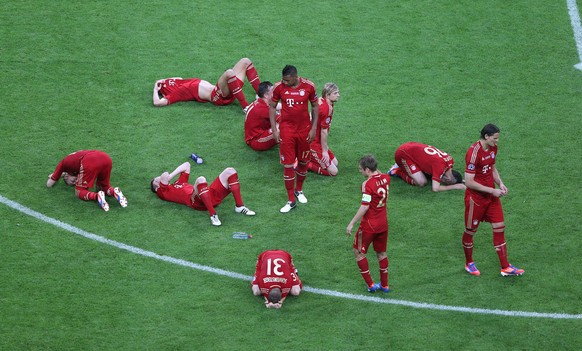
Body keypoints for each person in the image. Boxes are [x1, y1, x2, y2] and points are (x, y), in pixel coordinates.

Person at [462, 124, 524, 277]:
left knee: (499, 226)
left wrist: (500, 183)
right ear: (486, 137)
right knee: (470, 231)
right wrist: (492, 190)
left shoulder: (493, 148)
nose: (497, 141)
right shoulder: (473, 153)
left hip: (491, 197)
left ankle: (505, 267)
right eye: (495, 138)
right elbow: (468, 182)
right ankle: (469, 263)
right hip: (475, 199)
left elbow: (492, 167)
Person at [269, 65, 318, 213]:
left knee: (303, 161)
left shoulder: (309, 86)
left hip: (304, 131)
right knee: (288, 165)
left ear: (296, 77)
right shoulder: (279, 87)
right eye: (283, 79)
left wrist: (314, 128)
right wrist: (275, 129)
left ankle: (299, 190)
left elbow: (315, 106)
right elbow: (271, 107)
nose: (284, 82)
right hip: (287, 131)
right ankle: (290, 200)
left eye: (287, 80)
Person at [150, 161, 255, 226]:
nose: (158, 177)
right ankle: (213, 215)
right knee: (201, 179)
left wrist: (170, 177)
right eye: (156, 180)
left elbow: (187, 165)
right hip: (195, 201)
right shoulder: (162, 192)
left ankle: (239, 206)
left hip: (206, 194)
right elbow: (165, 175)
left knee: (230, 171)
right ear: (157, 187)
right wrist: (167, 178)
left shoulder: (178, 183)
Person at [346, 155, 391, 293]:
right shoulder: (386, 178)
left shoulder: (367, 185)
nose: (360, 172)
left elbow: (365, 207)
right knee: (381, 253)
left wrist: (352, 223)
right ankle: (385, 285)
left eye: (361, 169)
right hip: (383, 224)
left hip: (370, 225)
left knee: (358, 252)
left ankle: (371, 285)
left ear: (367, 169)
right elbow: (379, 174)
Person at [152, 58, 261, 112]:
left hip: (227, 90)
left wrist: (160, 83)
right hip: (217, 97)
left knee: (245, 61)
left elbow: (177, 78)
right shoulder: (177, 92)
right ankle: (246, 107)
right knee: (229, 73)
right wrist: (155, 90)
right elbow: (157, 102)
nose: (170, 80)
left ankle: (260, 94)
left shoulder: (181, 82)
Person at [46, 150, 128, 212]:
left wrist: (59, 174)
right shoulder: (74, 163)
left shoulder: (63, 164)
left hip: (91, 160)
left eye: (71, 182)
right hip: (106, 158)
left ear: (67, 176)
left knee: (79, 191)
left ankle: (97, 197)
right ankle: (114, 192)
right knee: (103, 187)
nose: (75, 182)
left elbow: (49, 184)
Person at [388, 142, 466, 192]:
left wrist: (462, 181)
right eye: (446, 183)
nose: (443, 182)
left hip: (411, 146)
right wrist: (455, 186)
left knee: (429, 175)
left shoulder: (450, 161)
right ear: (448, 179)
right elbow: (435, 188)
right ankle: (396, 170)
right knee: (422, 182)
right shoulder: (440, 168)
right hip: (403, 154)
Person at [307, 83, 340, 176]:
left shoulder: (321, 101)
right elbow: (324, 131)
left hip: (316, 140)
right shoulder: (326, 109)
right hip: (312, 143)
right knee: (333, 172)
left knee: (336, 163)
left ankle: (307, 156)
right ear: (327, 95)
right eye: (335, 93)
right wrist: (324, 151)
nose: (338, 95)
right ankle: (305, 164)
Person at [244, 81, 279, 151]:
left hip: (256, 133)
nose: (275, 93)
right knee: (284, 127)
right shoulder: (263, 109)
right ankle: (292, 154)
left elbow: (277, 106)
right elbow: (283, 118)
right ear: (266, 95)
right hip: (256, 141)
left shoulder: (260, 102)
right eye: (273, 91)